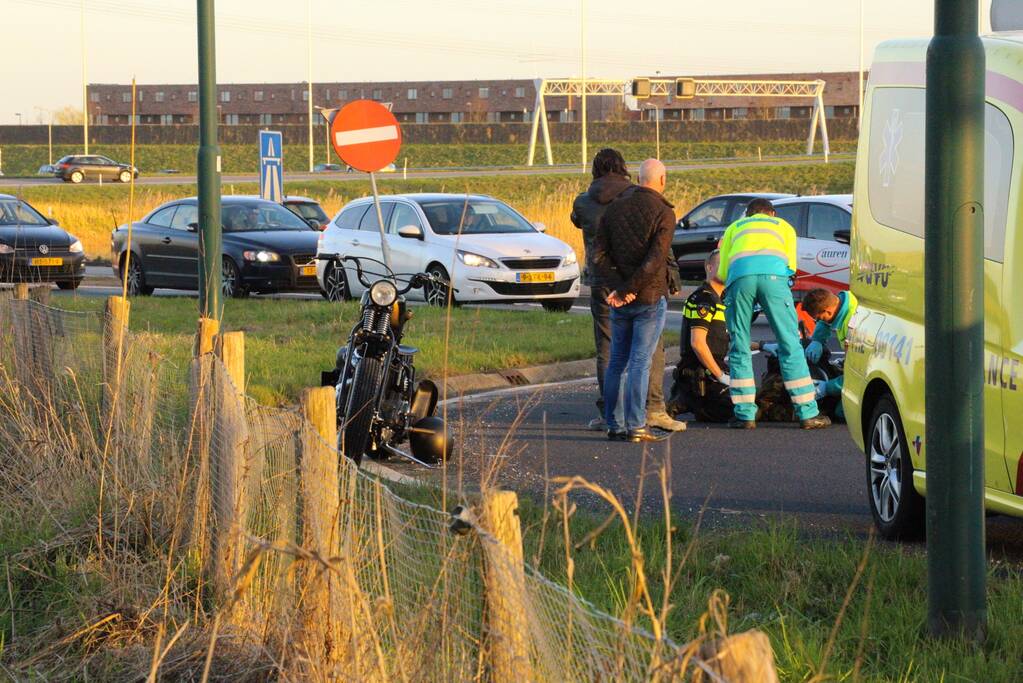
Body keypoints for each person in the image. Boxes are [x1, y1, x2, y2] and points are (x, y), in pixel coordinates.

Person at [571, 149, 683, 433]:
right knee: (645, 356)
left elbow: (597, 249)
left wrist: (619, 288)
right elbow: (656, 255)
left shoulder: (585, 203)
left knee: (610, 353)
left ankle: (611, 417)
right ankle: (648, 413)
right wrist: (630, 287)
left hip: (605, 286)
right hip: (643, 288)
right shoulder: (649, 205)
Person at [717, 198, 831, 430]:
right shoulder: (783, 226)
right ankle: (807, 413)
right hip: (774, 279)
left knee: (739, 344)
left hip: (740, 280)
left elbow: (722, 271)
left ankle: (745, 414)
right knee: (790, 344)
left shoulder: (734, 228)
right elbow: (790, 265)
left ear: (747, 215)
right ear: (772, 213)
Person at [668, 249, 750, 422]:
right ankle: (686, 399)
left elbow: (728, 337)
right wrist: (719, 375)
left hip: (714, 368)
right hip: (700, 372)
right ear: (709, 267)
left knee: (749, 402)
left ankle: (692, 400)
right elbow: (697, 343)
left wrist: (766, 345)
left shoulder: (722, 299)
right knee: (742, 411)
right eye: (723, 266)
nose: (728, 270)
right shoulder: (704, 299)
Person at [801, 287, 859, 418]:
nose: (819, 321)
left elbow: (858, 375)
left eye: (819, 317)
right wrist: (817, 340)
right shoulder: (845, 300)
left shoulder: (853, 328)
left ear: (827, 310)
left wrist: (828, 387)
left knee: (843, 412)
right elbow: (826, 322)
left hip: (871, 373)